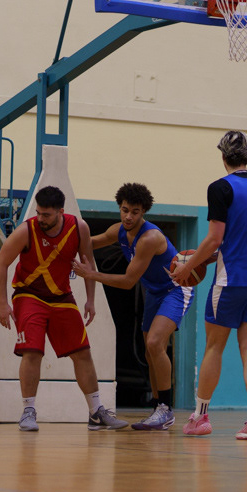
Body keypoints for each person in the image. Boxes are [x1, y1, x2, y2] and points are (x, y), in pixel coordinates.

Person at [0, 186, 128, 431]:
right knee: (32, 352)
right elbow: (1, 262)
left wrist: (90, 299)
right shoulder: (26, 230)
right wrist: (3, 303)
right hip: (29, 295)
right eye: (38, 213)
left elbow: (88, 262)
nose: (40, 218)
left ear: (61, 212)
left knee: (83, 352)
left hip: (62, 297)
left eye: (46, 215)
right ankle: (28, 411)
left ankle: (96, 413)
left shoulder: (79, 228)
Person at [170, 131, 247, 441]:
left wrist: (188, 266)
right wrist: (211, 257)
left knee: (214, 347)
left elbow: (215, 239)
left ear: (223, 156)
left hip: (232, 280)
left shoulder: (220, 187)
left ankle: (200, 417)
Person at [75, 182, 192, 431]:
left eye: (135, 212)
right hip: (155, 292)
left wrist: (91, 274)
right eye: (125, 210)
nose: (129, 216)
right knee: (150, 352)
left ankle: (165, 409)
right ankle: (158, 407)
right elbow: (90, 243)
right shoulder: (118, 230)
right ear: (120, 207)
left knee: (155, 343)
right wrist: (62, 243)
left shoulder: (150, 238)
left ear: (143, 212)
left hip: (175, 290)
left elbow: (128, 282)